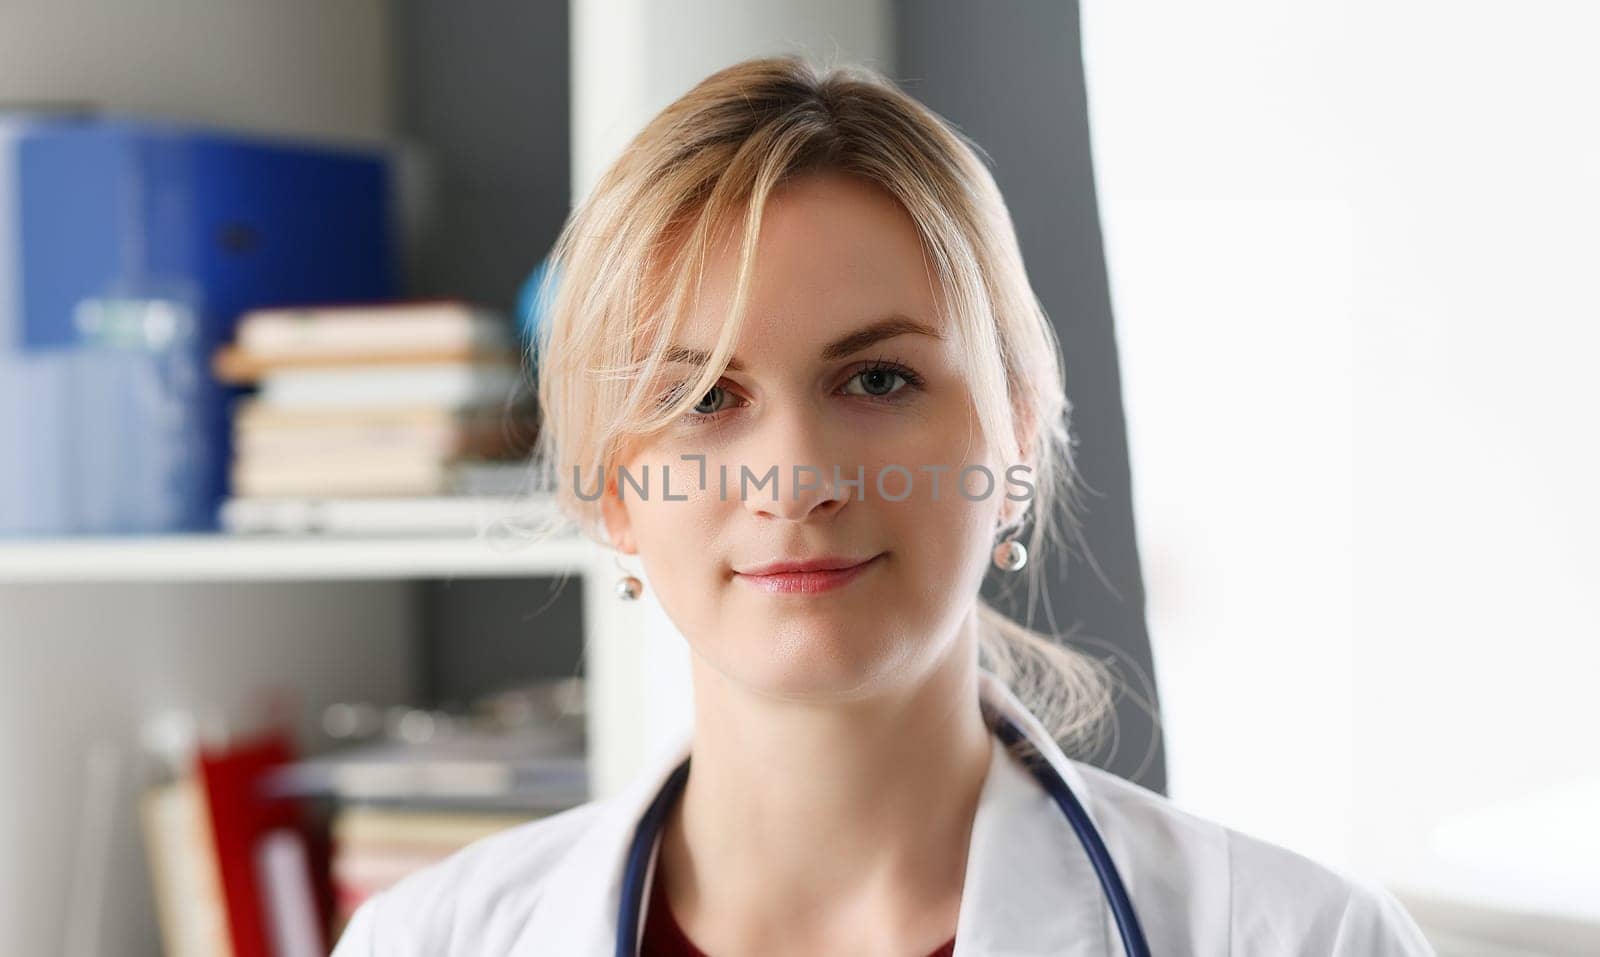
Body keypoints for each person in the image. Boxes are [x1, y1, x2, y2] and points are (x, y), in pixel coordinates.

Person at [330, 55, 1434, 956]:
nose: (797, 479)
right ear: (612, 494)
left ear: (1012, 430)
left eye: (877, 380)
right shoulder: (424, 943)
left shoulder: (1302, 940)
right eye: (705, 397)